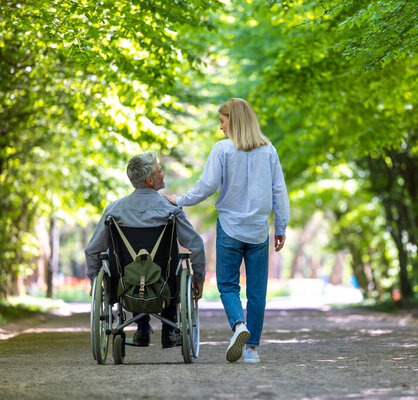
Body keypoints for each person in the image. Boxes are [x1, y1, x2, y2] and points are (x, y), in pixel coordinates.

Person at [164, 98, 289, 363]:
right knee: (257, 292)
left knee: (228, 286)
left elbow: (206, 186)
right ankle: (251, 349)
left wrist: (180, 200)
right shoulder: (269, 151)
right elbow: (279, 190)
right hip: (258, 231)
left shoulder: (222, 150)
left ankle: (238, 326)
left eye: (222, 121)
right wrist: (281, 226)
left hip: (230, 228)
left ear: (234, 120)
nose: (220, 128)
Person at [85, 152, 206, 348]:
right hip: (166, 286)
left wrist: (94, 281)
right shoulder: (171, 210)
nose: (164, 173)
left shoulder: (114, 211)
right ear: (150, 180)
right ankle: (169, 331)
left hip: (125, 287)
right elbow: (196, 245)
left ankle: (142, 330)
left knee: (134, 269)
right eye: (160, 171)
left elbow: (92, 250)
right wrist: (199, 278)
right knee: (168, 264)